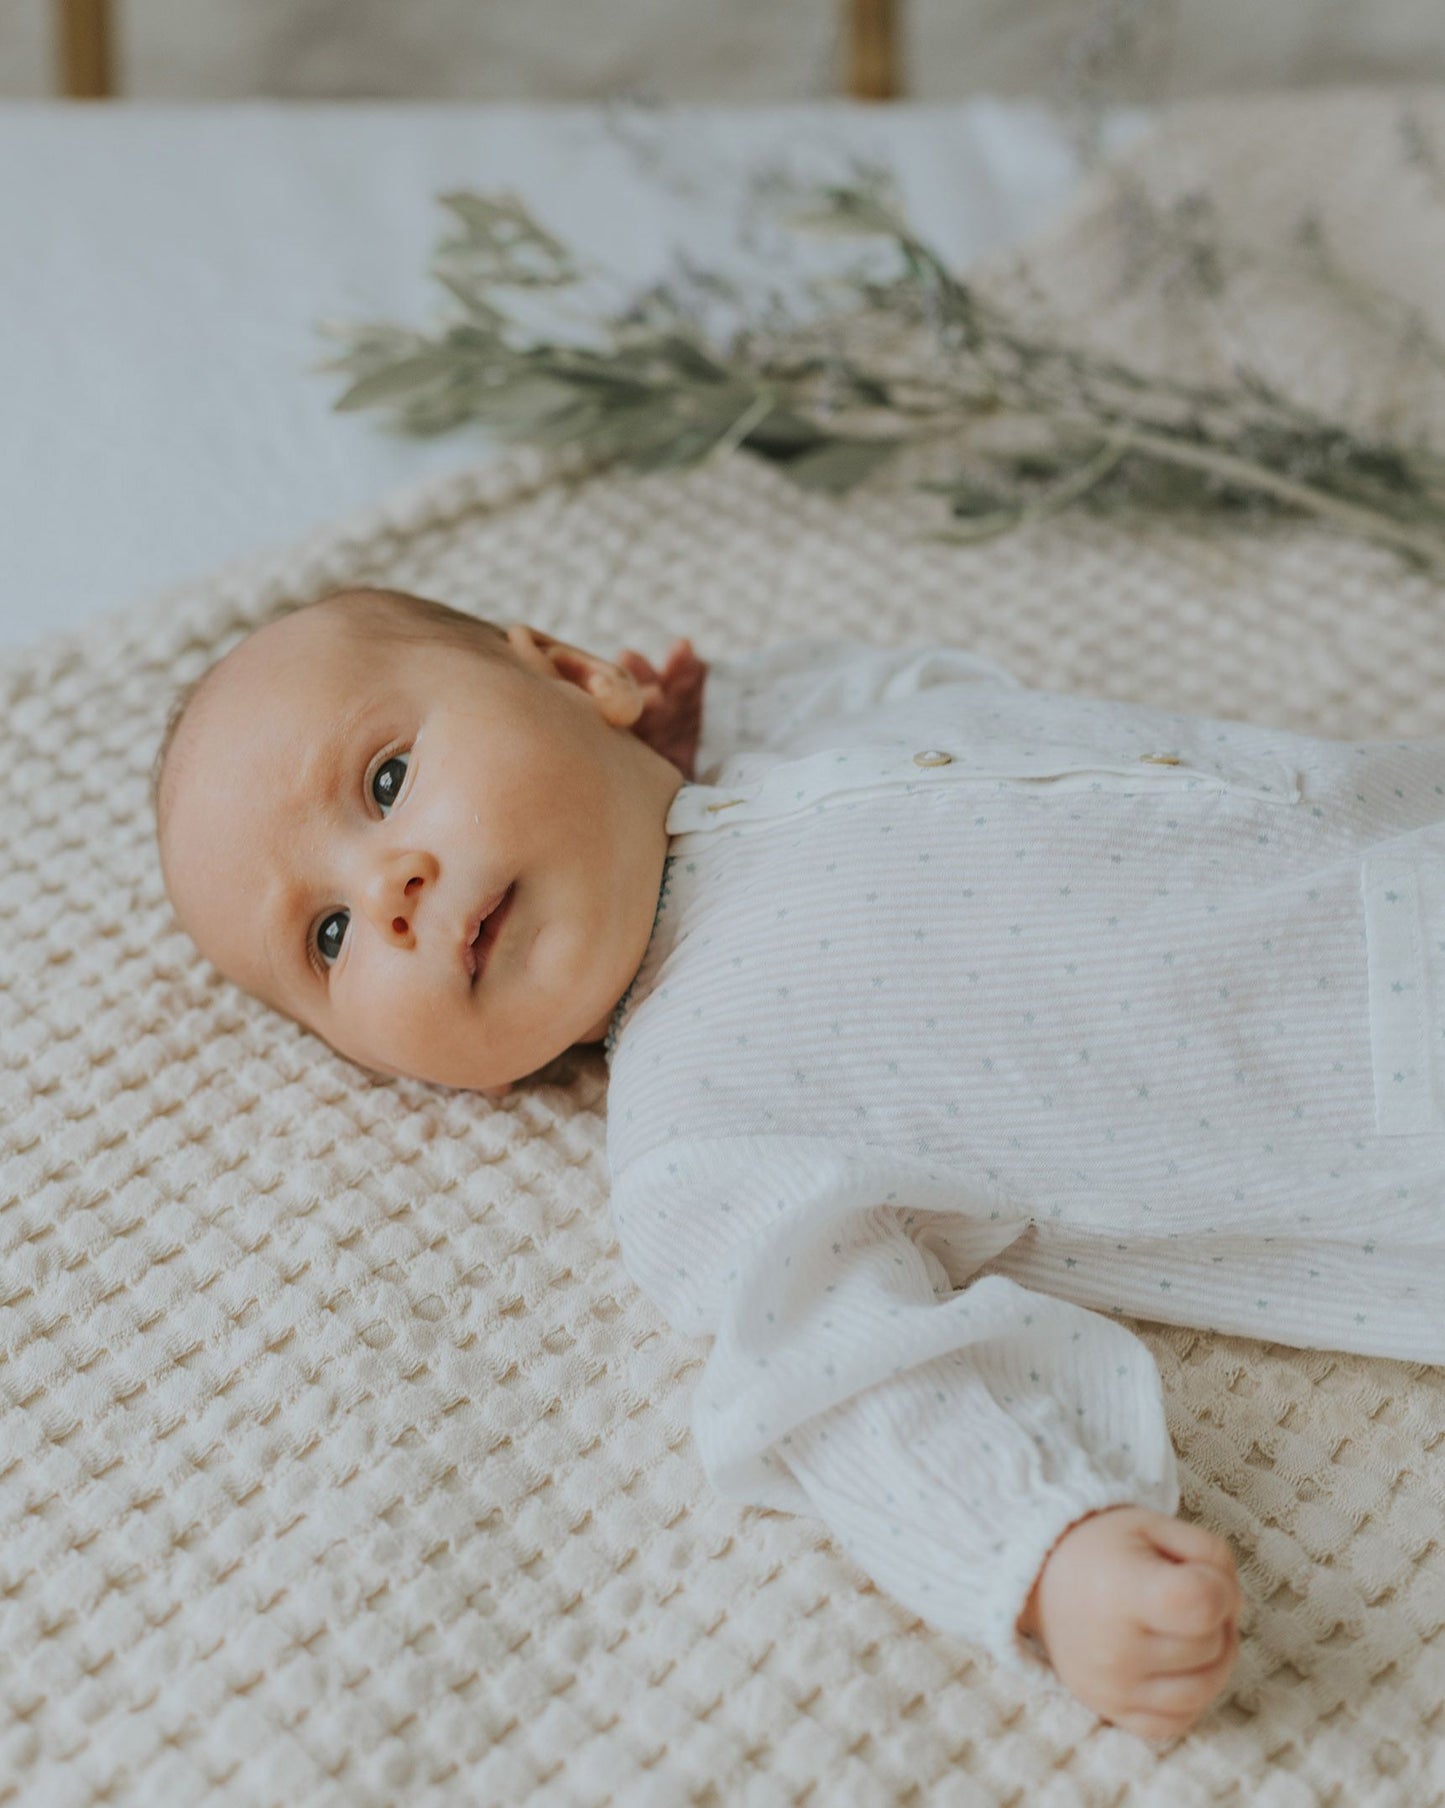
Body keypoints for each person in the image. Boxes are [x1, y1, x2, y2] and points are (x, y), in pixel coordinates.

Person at [155, 582, 1444, 1742]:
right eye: (329, 938)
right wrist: (1044, 1551)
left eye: (387, 781)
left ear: (576, 672)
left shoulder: (804, 741)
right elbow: (834, 1364)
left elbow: (949, 686)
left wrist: (693, 722)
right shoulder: (697, 1124)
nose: (387, 889)